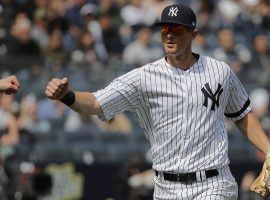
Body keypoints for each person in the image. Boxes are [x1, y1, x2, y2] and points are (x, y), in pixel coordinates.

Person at [45, 4, 270, 199]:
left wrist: (269, 151)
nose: (169, 35)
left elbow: (242, 115)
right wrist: (67, 95)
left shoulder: (220, 71)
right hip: (166, 188)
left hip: (213, 182)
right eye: (164, 29)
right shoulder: (143, 78)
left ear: (193, 34)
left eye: (176, 29)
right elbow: (96, 103)